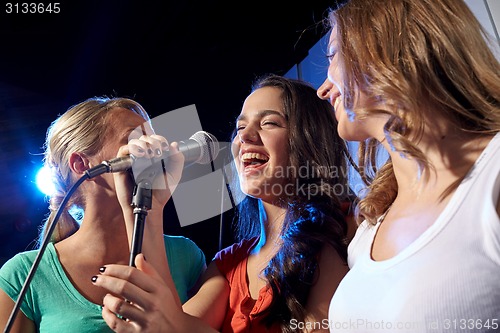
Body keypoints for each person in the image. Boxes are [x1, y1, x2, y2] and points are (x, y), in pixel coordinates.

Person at [92, 74, 355, 332]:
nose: (245, 137)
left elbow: (171, 324)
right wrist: (146, 207)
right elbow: (169, 323)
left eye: (269, 123)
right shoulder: (228, 265)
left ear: (310, 140)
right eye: (240, 128)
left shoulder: (340, 229)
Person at [316, 0, 500, 331]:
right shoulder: (372, 224)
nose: (322, 89)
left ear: (380, 47)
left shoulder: (493, 175)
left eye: (332, 56)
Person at [0, 97, 206, 333]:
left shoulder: (185, 257)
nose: (155, 148)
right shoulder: (23, 274)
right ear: (81, 164)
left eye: (153, 137)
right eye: (136, 139)